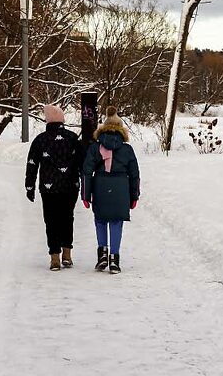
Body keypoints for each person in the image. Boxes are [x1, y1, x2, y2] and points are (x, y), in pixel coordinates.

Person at [81, 106, 140, 275]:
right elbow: (135, 174)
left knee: (100, 220)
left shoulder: (95, 147)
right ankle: (114, 259)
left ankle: (102, 255)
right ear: (121, 129)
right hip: (121, 187)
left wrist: (86, 194)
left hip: (100, 186)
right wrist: (134, 195)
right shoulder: (127, 149)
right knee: (116, 221)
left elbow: (86, 171)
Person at [25, 104, 83, 271]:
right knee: (67, 218)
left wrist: (30, 186)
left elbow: (32, 165)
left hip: (48, 189)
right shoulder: (72, 138)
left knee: (51, 221)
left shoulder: (40, 140)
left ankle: (54, 257)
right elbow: (82, 163)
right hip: (70, 187)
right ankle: (67, 254)